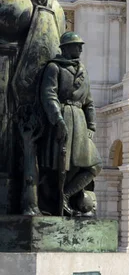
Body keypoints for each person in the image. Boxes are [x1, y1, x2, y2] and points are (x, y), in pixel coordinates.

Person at [40, 32, 102, 216]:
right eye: (77, 45)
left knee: (94, 166)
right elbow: (48, 94)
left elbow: (89, 102)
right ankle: (54, 201)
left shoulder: (83, 70)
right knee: (61, 166)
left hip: (80, 122)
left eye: (81, 45)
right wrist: (57, 119)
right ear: (66, 47)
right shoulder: (54, 67)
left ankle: (65, 195)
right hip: (63, 117)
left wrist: (92, 126)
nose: (81, 48)